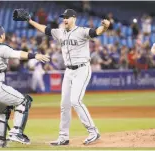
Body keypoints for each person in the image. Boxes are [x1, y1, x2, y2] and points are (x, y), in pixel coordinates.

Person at [28, 9, 110, 145]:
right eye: (63, 17)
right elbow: (45, 29)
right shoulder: (59, 32)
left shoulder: (81, 31)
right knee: (64, 105)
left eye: (67, 17)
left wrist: (105, 27)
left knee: (75, 101)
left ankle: (93, 131)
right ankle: (63, 137)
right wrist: (30, 21)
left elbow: (96, 32)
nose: (64, 19)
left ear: (74, 18)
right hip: (68, 71)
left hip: (82, 69)